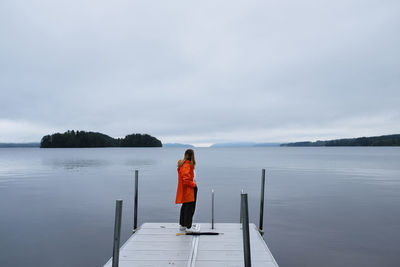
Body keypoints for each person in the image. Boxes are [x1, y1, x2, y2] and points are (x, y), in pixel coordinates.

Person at [175, 149, 198, 231]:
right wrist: (193, 185)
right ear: (192, 155)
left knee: (185, 206)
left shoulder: (185, 164)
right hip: (189, 189)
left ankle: (183, 225)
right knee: (189, 207)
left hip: (187, 189)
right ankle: (187, 226)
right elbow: (186, 180)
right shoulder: (186, 165)